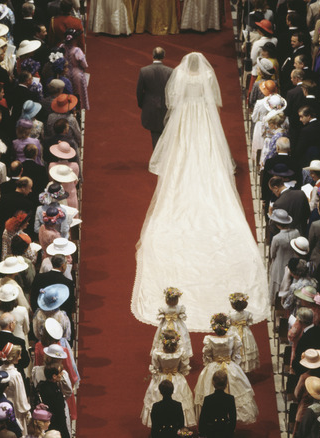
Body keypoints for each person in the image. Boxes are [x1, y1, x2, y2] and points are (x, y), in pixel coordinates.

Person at [132, 53, 270, 331]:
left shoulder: (180, 75)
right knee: (205, 148)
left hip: (185, 116)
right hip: (203, 116)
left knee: (183, 149)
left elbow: (173, 100)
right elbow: (213, 101)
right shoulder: (207, 76)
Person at [193, 313, 258, 424]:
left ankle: (213, 416)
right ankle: (229, 417)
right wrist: (232, 363)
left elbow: (207, 356)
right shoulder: (233, 338)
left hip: (214, 365)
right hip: (229, 365)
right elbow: (236, 355)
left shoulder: (209, 340)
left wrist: (210, 365)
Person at [142, 329, 196, 428]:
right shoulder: (181, 352)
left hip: (162, 378)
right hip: (177, 378)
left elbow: (155, 367)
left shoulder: (157, 353)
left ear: (163, 341)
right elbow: (184, 368)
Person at [137, 47, 174, 148]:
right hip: (166, 107)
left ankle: (156, 159)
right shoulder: (170, 71)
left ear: (152, 56)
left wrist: (143, 105)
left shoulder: (144, 71)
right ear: (164, 57)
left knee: (154, 134)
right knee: (165, 134)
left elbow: (139, 92)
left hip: (150, 107)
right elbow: (172, 91)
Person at [199, 370, 236, 438]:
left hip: (211, 430)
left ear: (213, 383)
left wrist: (202, 433)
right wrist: (230, 432)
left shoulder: (208, 399)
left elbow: (203, 418)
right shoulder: (230, 398)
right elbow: (233, 419)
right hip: (225, 429)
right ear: (226, 383)